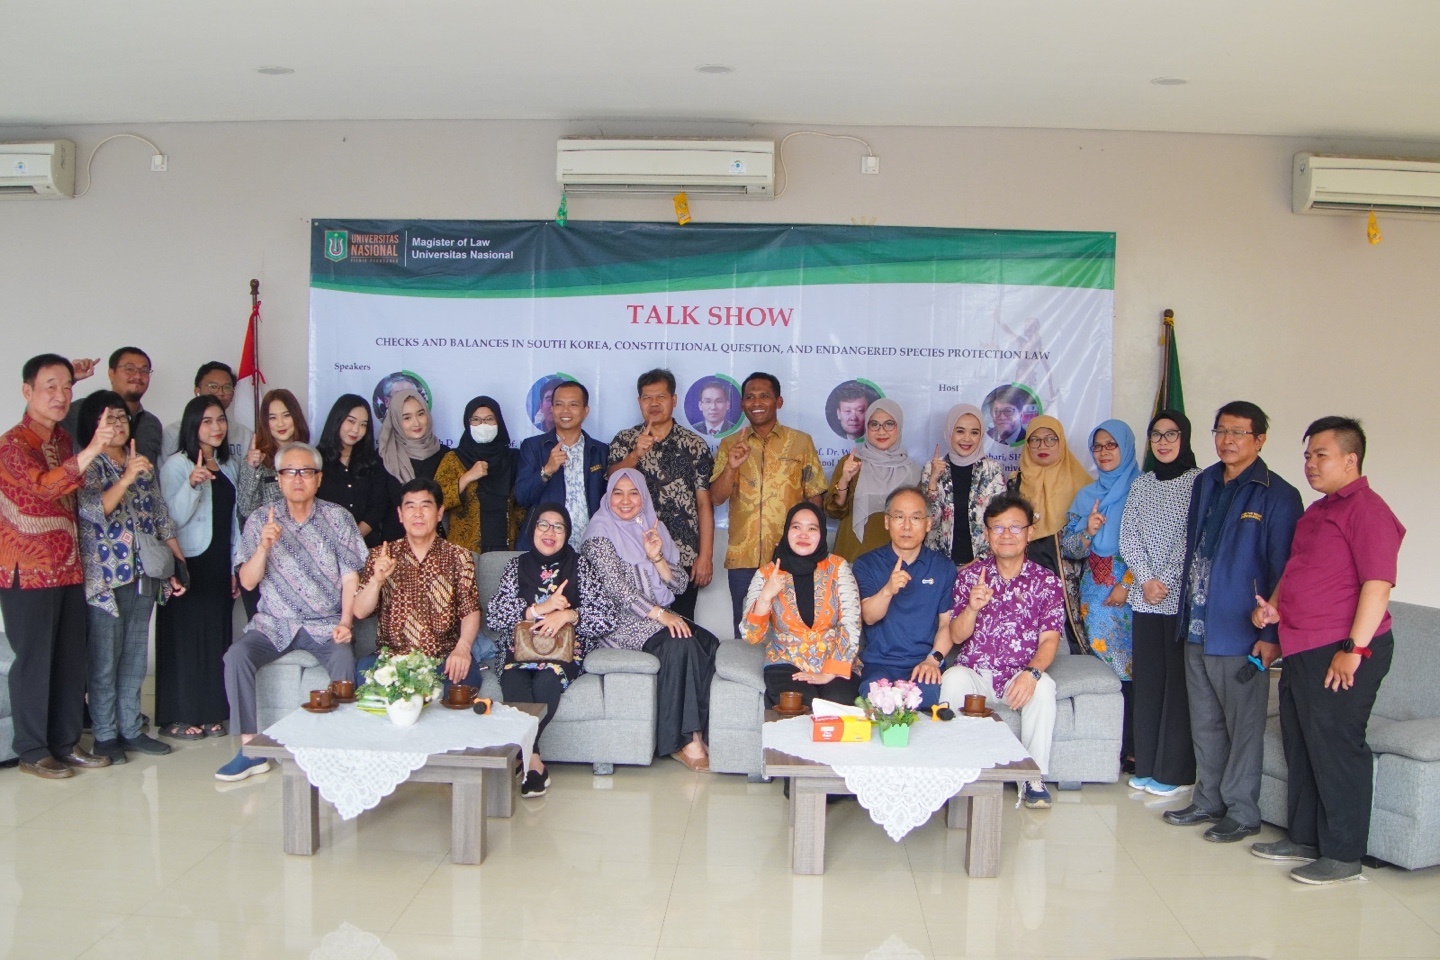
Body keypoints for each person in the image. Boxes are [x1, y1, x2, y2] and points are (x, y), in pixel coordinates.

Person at [1251, 417, 1405, 884]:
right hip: (1302, 646)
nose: (1310, 464)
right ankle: (1305, 837)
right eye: (1307, 455)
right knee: (1301, 742)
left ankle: (1342, 855)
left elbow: (1377, 586)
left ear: (1350, 459)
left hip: (1342, 648)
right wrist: (1274, 609)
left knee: (1336, 746)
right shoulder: (1318, 511)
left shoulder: (1369, 510)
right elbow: (1297, 570)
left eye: (1321, 455)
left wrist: (1353, 649)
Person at [1163, 401, 1302, 844]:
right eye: (1221, 431)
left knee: (1243, 726)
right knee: (1204, 720)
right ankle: (1208, 800)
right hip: (1197, 623)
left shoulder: (1277, 495)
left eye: (1238, 432)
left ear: (1260, 440)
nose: (1227, 440)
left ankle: (1242, 811)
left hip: (1241, 631)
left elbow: (1285, 571)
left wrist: (1272, 635)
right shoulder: (1205, 480)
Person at [217, 442, 367, 782]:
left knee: (344, 660)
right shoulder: (261, 519)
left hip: (324, 623)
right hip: (274, 623)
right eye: (289, 472)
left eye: (306, 472)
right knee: (236, 656)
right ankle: (251, 750)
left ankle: (339, 749)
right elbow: (248, 582)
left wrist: (346, 622)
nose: (298, 479)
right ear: (279, 478)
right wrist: (263, 547)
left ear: (318, 479)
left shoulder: (338, 518)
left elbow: (350, 578)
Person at [0, 353, 113, 779]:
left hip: (67, 566)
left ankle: (66, 743)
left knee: (69, 658)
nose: (61, 395)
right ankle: (32, 751)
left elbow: (67, 480)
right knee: (35, 660)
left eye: (67, 387)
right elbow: (44, 488)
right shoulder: (12, 445)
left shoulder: (61, 440)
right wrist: (96, 447)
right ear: (26, 391)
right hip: (27, 570)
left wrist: (70, 377)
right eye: (50, 387)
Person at [580, 469, 718, 771]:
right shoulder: (599, 532)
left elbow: (679, 585)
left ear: (643, 496)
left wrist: (656, 557)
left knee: (709, 643)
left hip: (657, 618)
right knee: (679, 644)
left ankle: (702, 731)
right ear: (608, 496)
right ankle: (681, 741)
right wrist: (661, 615)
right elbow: (616, 589)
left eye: (633, 493)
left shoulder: (654, 527)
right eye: (618, 493)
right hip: (619, 622)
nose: (625, 500)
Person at [76, 391, 185, 763]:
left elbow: (160, 516)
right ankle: (105, 736)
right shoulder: (88, 465)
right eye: (109, 419)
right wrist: (125, 478)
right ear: (93, 427)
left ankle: (131, 729)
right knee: (105, 660)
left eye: (121, 418)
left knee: (135, 657)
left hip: (144, 572)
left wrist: (177, 562)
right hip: (105, 579)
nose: (118, 425)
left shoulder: (141, 463)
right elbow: (95, 511)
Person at [940, 493, 1064, 809]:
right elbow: (955, 635)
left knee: (1044, 686)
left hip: (1018, 676)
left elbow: (1049, 641)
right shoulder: (970, 577)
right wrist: (972, 607)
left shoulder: (1047, 582)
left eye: (1015, 527)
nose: (1006, 535)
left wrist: (1031, 673)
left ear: (1029, 532)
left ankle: (1033, 778)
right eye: (998, 528)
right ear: (987, 533)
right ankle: (956, 771)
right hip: (976, 674)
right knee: (952, 678)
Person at [486, 502, 615, 796]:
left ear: (567, 533)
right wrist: (539, 609)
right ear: (532, 529)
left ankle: (526, 758)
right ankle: (534, 760)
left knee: (546, 680)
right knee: (513, 681)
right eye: (543, 524)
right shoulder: (516, 566)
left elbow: (607, 617)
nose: (550, 532)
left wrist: (568, 615)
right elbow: (494, 616)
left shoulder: (580, 565)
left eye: (558, 527)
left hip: (564, 653)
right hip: (519, 652)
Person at [1117, 410, 1200, 798]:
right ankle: (1149, 764)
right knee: (1149, 681)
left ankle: (1175, 770)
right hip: (1145, 598)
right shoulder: (1142, 484)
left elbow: (1192, 537)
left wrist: (1163, 580)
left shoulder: (1198, 482)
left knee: (1176, 684)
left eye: (1171, 434)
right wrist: (1146, 579)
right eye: (1156, 435)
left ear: (1185, 438)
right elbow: (1128, 535)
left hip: (1179, 599)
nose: (1163, 442)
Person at [710, 372, 826, 632]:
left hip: (792, 557)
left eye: (764, 396)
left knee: (792, 628)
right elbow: (716, 497)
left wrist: (812, 551)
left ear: (779, 401)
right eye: (750, 397)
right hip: (744, 558)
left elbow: (815, 497)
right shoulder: (730, 444)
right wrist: (731, 467)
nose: (757, 402)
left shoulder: (800, 442)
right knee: (747, 630)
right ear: (742, 404)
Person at [157, 395, 241, 740]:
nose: (216, 427)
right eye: (207, 421)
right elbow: (169, 519)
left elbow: (233, 520)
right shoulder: (176, 465)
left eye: (220, 419)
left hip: (219, 562)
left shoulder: (227, 465)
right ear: (193, 425)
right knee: (185, 639)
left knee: (215, 638)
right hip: (188, 561)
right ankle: (177, 715)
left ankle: (209, 712)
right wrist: (191, 484)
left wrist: (235, 565)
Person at [1062, 419, 1142, 768]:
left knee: (1134, 670)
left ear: (1126, 447)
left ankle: (1134, 747)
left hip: (1135, 593)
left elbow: (1153, 547)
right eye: (1098, 446)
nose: (1104, 452)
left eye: (1112, 445)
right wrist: (1088, 530)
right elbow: (1070, 549)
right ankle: (1106, 747)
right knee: (1102, 671)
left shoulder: (1143, 490)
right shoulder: (1086, 496)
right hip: (1094, 596)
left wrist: (1127, 584)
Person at [353, 477, 483, 691]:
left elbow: (470, 610)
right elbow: (359, 611)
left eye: (426, 506)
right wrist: (376, 581)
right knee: (364, 671)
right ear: (400, 514)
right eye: (410, 506)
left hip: (442, 658)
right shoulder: (381, 555)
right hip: (393, 659)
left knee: (466, 680)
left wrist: (462, 648)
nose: (418, 514)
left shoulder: (459, 556)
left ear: (439, 513)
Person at [607, 369, 715, 621]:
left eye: (661, 397)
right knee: (638, 625)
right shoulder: (625, 439)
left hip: (682, 555)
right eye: (647, 398)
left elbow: (704, 504)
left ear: (674, 400)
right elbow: (611, 481)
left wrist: (705, 556)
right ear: (639, 401)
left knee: (681, 627)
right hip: (632, 553)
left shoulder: (694, 445)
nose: (654, 403)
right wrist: (635, 455)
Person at [741, 502, 860, 708]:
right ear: (786, 531)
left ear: (822, 534)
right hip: (785, 661)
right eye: (796, 527)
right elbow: (751, 636)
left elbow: (851, 622)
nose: (803, 534)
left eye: (812, 528)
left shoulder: (838, 567)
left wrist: (829, 672)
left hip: (834, 659)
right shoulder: (766, 574)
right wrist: (766, 596)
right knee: (800, 703)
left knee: (838, 702)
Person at [851, 486, 958, 708]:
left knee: (927, 699)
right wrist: (888, 590)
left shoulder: (943, 567)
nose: (907, 526)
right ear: (887, 522)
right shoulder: (867, 564)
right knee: (875, 699)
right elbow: (869, 617)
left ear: (928, 523)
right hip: (879, 664)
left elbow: (946, 624)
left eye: (916, 518)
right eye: (899, 517)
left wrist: (933, 659)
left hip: (923, 663)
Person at [826, 398, 922, 563]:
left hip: (898, 560)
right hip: (854, 556)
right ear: (866, 428)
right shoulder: (851, 463)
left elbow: (920, 520)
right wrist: (845, 480)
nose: (881, 431)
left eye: (889, 424)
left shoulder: (912, 470)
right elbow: (833, 512)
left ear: (899, 427)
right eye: (874, 424)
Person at [514, 380, 607, 545]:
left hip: (590, 543)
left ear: (585, 410)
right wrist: (547, 471)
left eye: (573, 404)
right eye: (559, 404)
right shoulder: (533, 447)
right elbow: (521, 497)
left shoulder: (600, 450)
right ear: (551, 408)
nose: (565, 410)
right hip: (546, 544)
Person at [923, 403, 1008, 567]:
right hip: (939, 564)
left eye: (974, 432)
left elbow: (1000, 522)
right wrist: (933, 481)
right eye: (960, 431)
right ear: (949, 432)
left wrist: (980, 560)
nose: (967, 439)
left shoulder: (992, 470)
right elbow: (930, 523)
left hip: (982, 563)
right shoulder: (932, 468)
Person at [435, 396, 517, 553]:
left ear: (499, 421)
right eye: (476, 420)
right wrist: (466, 478)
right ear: (468, 423)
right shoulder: (454, 458)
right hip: (465, 550)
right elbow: (436, 500)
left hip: (506, 547)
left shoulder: (513, 458)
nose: (483, 425)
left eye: (489, 419)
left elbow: (521, 505)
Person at [63, 347, 164, 465]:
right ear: (111, 373)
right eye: (129, 369)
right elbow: (45, 420)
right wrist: (68, 379)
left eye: (144, 371)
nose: (138, 375)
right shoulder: (82, 409)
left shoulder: (151, 424)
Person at [316, 394, 389, 549]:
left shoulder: (373, 462)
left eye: (363, 425)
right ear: (337, 419)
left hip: (366, 546)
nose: (356, 430)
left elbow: (378, 506)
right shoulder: (316, 460)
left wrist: (353, 538)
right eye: (351, 421)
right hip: (325, 546)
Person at [376, 388, 447, 541]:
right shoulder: (384, 457)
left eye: (420, 414)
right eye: (407, 418)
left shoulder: (445, 455)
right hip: (394, 545)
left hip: (435, 545)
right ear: (396, 421)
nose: (416, 423)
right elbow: (377, 506)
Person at [237, 387, 310, 526]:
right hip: (269, 535)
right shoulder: (256, 460)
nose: (280, 423)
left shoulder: (309, 455)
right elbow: (246, 509)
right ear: (265, 422)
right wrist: (252, 468)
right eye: (273, 418)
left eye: (286, 415)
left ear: (296, 417)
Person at [160, 361, 253, 462]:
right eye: (213, 387)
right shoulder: (173, 432)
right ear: (197, 391)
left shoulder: (244, 435)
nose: (221, 393)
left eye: (227, 387)